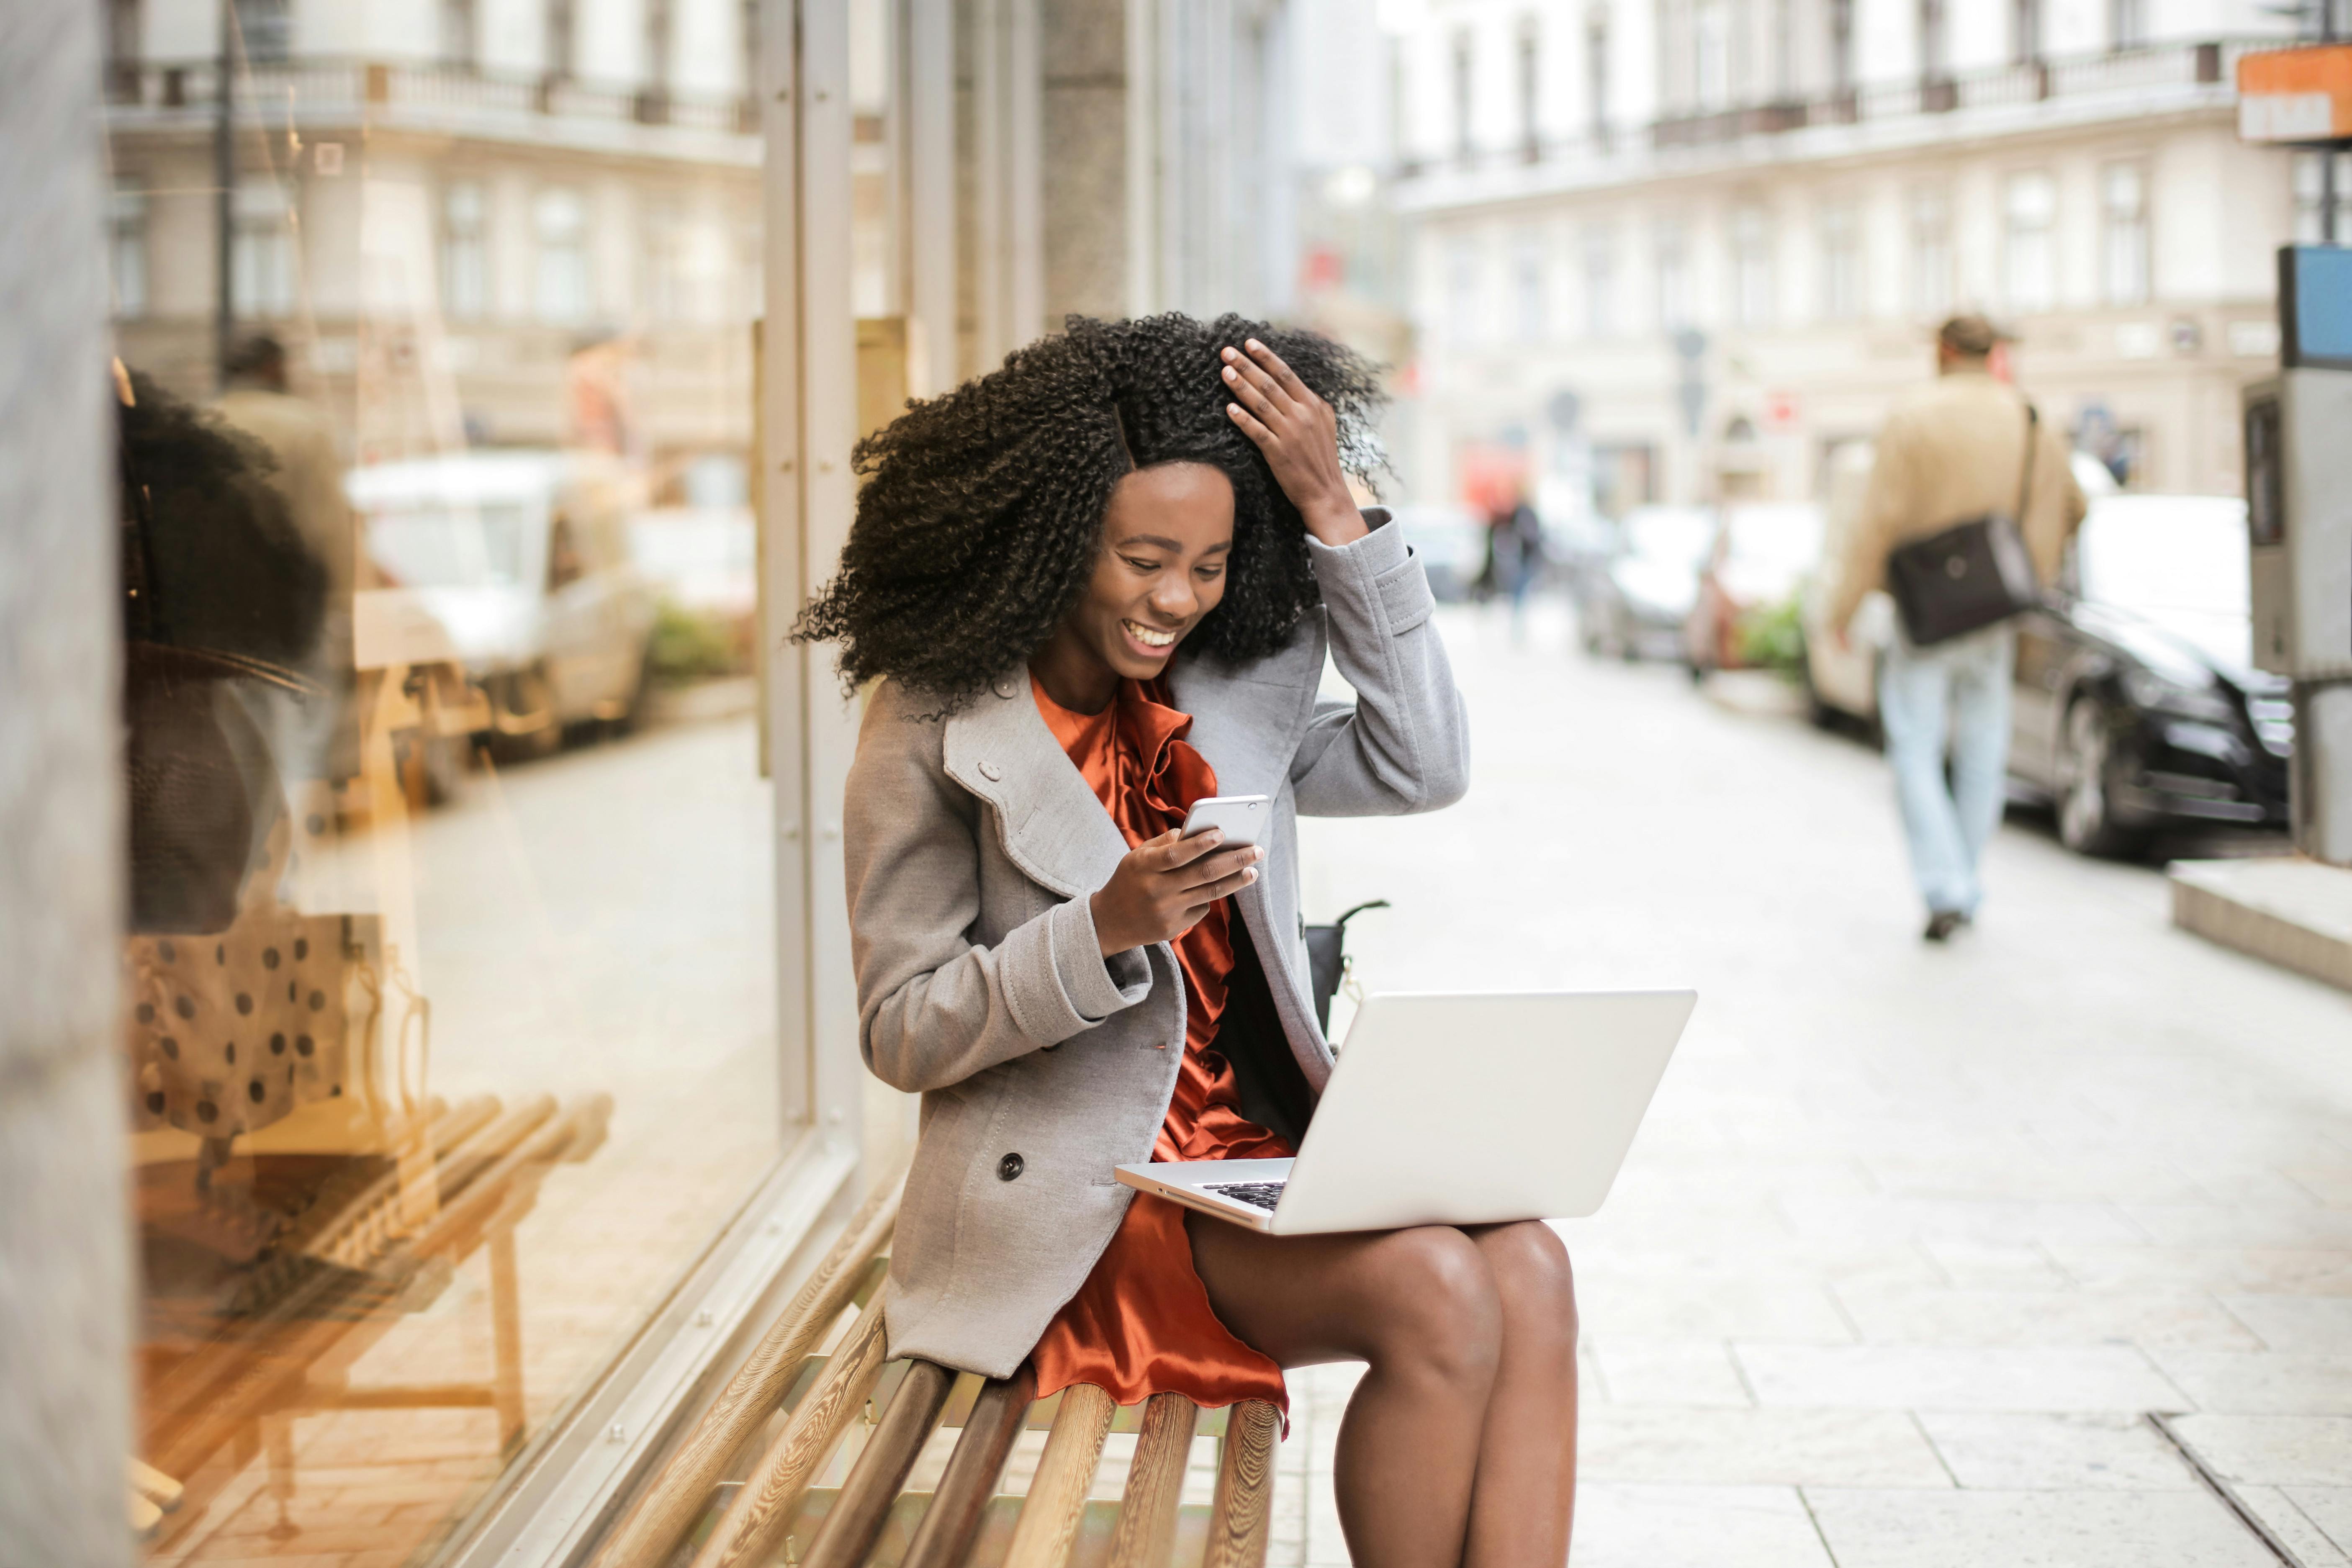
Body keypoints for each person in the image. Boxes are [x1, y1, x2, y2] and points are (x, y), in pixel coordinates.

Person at [799, 313, 1582, 1568]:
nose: (1175, 600)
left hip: (1246, 1166)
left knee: (1532, 1266)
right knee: (1437, 1288)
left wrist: (1335, 508)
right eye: (1141, 559)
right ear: (1056, 544)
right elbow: (901, 1027)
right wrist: (1101, 929)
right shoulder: (934, 718)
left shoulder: (1218, 691)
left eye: (1209, 565)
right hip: (1080, 1203)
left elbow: (1424, 764)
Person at [1825, 314, 2086, 942]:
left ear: (1943, 351)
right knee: (1984, 750)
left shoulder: (1913, 415)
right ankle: (1964, 882)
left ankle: (1944, 885)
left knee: (1914, 746)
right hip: (1996, 611)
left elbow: (1877, 521)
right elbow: (2076, 506)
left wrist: (1844, 609)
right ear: (1992, 353)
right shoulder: (2028, 417)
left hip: (1927, 612)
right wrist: (2032, 559)